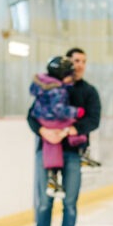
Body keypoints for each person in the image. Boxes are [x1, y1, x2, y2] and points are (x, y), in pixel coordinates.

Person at [27, 47, 101, 226]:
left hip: (72, 152)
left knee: (70, 201)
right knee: (44, 200)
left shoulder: (88, 91)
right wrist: (45, 132)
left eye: (83, 61)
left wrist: (69, 130)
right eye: (75, 60)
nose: (79, 65)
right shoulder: (50, 86)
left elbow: (93, 120)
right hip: (48, 148)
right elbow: (32, 116)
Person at [29, 56, 87, 198]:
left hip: (43, 119)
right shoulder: (57, 90)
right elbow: (59, 109)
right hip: (52, 120)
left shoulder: (43, 84)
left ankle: (52, 176)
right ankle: (83, 151)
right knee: (74, 128)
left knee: (52, 145)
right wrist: (76, 112)